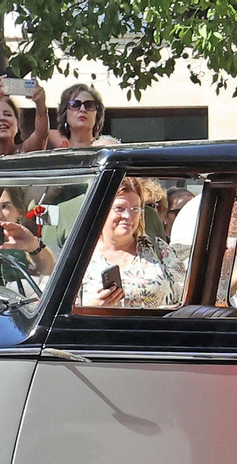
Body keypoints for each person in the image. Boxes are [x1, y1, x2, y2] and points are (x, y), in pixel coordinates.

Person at [77, 177, 184, 309]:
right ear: (101, 210)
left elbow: (185, 298)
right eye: (120, 208)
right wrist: (91, 308)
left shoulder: (158, 249)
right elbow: (63, 310)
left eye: (135, 209)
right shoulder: (81, 257)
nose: (128, 216)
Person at [0, 76, 50, 188]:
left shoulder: (25, 152)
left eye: (7, 114)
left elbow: (41, 135)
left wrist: (41, 104)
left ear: (17, 124)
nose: (2, 118)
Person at [58, 84, 106, 149]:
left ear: (97, 114)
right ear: (65, 113)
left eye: (89, 105)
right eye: (75, 104)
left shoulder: (107, 150)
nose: (82, 109)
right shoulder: (57, 153)